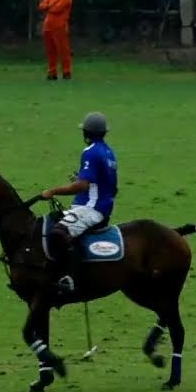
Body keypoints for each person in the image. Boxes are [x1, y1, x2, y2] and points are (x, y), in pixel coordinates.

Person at [39, 112, 118, 295]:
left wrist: (53, 191)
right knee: (55, 223)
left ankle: (70, 278)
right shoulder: (109, 152)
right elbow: (108, 186)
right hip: (100, 206)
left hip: (91, 209)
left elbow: (82, 185)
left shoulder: (90, 152)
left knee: (58, 232)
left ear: (86, 133)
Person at [38, 0, 74, 81]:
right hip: (48, 27)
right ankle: (52, 73)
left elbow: (56, 9)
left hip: (60, 27)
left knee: (63, 51)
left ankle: (66, 72)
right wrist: (49, 5)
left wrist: (48, 6)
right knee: (50, 52)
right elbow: (41, 6)